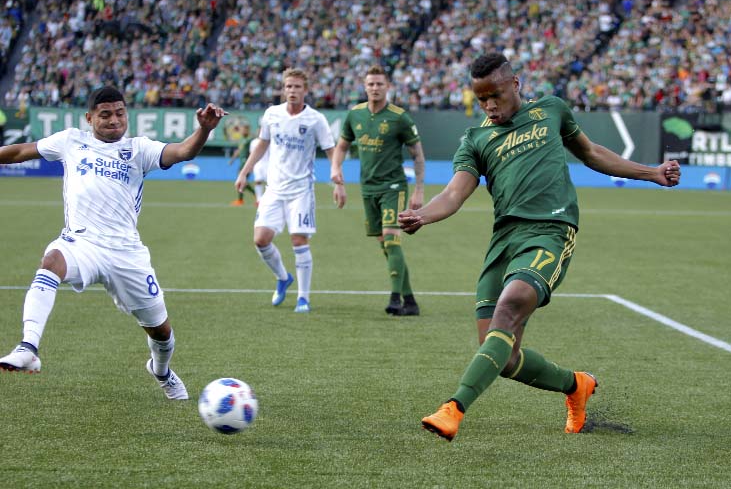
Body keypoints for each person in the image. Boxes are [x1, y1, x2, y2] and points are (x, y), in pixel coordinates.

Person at [398, 53, 681, 441]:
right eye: (481, 99)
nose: (489, 105)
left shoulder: (551, 111)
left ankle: (454, 408)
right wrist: (423, 215)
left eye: (495, 95)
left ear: (515, 84)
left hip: (550, 231)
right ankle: (575, 386)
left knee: (509, 306)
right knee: (503, 356)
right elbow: (454, 192)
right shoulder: (476, 138)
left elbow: (592, 152)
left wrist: (651, 172)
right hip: (503, 242)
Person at [0, 86, 227, 401]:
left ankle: (161, 370)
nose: (114, 121)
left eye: (120, 113)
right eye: (105, 115)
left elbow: (183, 152)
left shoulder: (139, 149)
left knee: (161, 331)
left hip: (126, 254)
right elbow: (19, 152)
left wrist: (203, 129)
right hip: (82, 243)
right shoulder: (71, 141)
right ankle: (28, 347)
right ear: (89, 118)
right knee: (52, 260)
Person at [235, 68, 344, 313]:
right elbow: (262, 145)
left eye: (297, 87)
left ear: (305, 90)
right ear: (283, 89)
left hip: (301, 191)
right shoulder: (272, 114)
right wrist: (244, 172)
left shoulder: (316, 119)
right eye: (288, 87)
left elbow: (330, 150)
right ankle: (283, 277)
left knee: (298, 239)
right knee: (260, 240)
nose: (292, 91)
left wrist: (338, 182)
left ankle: (303, 298)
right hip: (274, 190)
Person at [331, 65, 425, 316]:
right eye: (370, 84)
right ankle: (411, 301)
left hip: (393, 187)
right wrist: (335, 168)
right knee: (386, 244)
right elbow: (341, 146)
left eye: (379, 84)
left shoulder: (399, 117)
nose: (374, 88)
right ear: (365, 87)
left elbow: (417, 155)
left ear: (388, 87)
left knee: (392, 239)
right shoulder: (355, 115)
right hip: (368, 188)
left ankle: (395, 299)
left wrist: (418, 190)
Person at [227, 119, 256, 206]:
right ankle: (242, 199)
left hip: (246, 163)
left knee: (241, 181)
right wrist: (232, 160)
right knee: (242, 181)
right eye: (242, 129)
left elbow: (254, 150)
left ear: (247, 130)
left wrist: (252, 165)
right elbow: (238, 150)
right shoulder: (242, 139)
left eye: (244, 129)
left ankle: (255, 196)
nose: (242, 131)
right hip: (241, 162)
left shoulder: (250, 140)